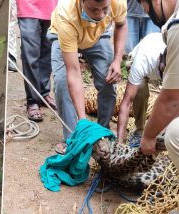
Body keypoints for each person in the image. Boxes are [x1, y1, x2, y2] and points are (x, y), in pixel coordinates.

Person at [138, 0, 179, 196]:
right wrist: (161, 127)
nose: (146, 12)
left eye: (143, 6)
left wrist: (148, 136)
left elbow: (171, 98)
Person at [47, 0, 127, 139]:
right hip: (64, 33)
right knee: (62, 83)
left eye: (104, 9)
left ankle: (102, 131)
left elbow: (121, 24)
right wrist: (83, 120)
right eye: (94, 9)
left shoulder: (117, 2)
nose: (100, 14)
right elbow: (73, 72)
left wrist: (117, 60)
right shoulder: (66, 13)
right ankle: (74, 138)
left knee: (108, 79)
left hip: (98, 34)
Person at [117, 32, 166, 144]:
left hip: (165, 68)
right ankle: (138, 132)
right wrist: (118, 143)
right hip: (141, 61)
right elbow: (126, 102)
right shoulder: (141, 62)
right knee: (140, 92)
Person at [17, 0, 58, 122]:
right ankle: (33, 100)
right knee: (30, 56)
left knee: (48, 53)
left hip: (52, 7)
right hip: (27, 6)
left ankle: (43, 93)